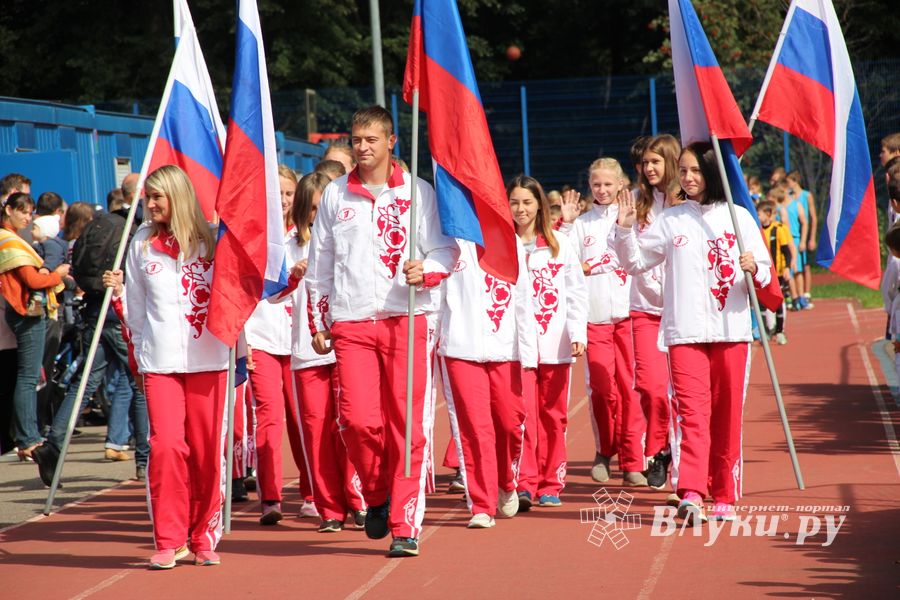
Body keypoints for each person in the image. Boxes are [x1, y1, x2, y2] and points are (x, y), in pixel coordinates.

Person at [306, 105, 459, 557]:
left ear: (392, 142)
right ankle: (376, 494)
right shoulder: (336, 194)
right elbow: (320, 267)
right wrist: (319, 321)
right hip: (352, 321)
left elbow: (447, 251)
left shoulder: (418, 193)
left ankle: (406, 525)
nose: (362, 147)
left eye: (371, 139)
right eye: (356, 140)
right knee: (356, 420)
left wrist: (426, 269)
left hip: (407, 317)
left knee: (407, 426)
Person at [614, 141, 772, 524]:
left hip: (731, 331)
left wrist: (755, 267)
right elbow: (635, 262)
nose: (687, 177)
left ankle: (723, 492)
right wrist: (622, 231)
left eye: (696, 171)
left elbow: (766, 272)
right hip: (684, 332)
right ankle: (690, 491)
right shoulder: (672, 219)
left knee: (727, 414)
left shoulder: (738, 218)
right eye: (683, 170)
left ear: (713, 174)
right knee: (692, 415)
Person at [124, 164, 228, 569]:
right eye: (148, 197)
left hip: (209, 360)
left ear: (177, 196)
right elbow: (133, 308)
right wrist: (141, 349)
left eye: (156, 197)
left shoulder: (213, 241)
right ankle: (170, 538)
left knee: (204, 452)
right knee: (166, 446)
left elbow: (237, 292)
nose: (149, 205)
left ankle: (203, 536)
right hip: (161, 362)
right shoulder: (141, 242)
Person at [271, 171, 367, 533]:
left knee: (348, 426)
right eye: (310, 209)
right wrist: (293, 276)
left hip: (344, 344)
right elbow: (272, 293)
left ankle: (357, 499)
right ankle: (329, 509)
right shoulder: (289, 245)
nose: (316, 215)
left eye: (321, 207)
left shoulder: (347, 240)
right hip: (306, 351)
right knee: (315, 431)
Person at [561, 158, 646, 487]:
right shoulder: (582, 224)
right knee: (601, 390)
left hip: (628, 316)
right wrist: (567, 225)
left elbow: (674, 194)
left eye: (609, 184)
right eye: (596, 184)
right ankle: (603, 451)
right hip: (594, 319)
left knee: (629, 389)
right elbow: (566, 262)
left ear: (622, 184)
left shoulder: (635, 213)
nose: (602, 189)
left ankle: (633, 460)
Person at [508, 174, 587, 509]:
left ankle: (551, 483)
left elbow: (575, 292)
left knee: (553, 417)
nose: (521, 209)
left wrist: (578, 332)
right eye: (514, 202)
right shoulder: (501, 244)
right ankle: (524, 483)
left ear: (539, 204)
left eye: (527, 202)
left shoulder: (557, 243)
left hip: (556, 343)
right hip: (515, 347)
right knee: (521, 416)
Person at [241, 164, 300, 526]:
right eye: (275, 193)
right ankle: (271, 497)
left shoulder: (307, 235)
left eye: (288, 194)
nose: (281, 200)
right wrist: (243, 341)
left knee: (303, 420)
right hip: (261, 339)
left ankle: (311, 492)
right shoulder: (254, 238)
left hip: (299, 343)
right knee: (269, 419)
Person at [625, 133, 682, 490]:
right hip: (644, 307)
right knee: (651, 387)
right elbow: (623, 249)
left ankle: (674, 451)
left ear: (671, 161)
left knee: (682, 391)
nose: (648, 169)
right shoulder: (634, 201)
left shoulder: (688, 200)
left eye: (655, 161)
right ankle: (659, 447)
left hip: (682, 308)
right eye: (645, 163)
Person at [1, 193, 68, 461]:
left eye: (31, 213)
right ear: (8, 210)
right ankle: (28, 437)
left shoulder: (12, 239)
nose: (28, 218)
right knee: (29, 377)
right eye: (23, 212)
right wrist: (58, 275)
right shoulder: (8, 240)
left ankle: (26, 435)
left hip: (22, 311)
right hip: (26, 312)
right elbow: (32, 279)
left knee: (27, 376)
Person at [757, 201, 795, 345]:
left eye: (759, 214)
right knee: (762, 302)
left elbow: (786, 251)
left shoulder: (778, 229)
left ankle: (780, 331)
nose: (758, 216)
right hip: (764, 273)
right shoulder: (758, 230)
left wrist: (787, 268)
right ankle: (766, 331)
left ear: (767, 214)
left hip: (778, 273)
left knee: (778, 301)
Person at [785, 171, 816, 309]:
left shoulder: (806, 195)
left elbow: (813, 217)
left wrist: (811, 237)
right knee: (796, 266)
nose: (787, 185)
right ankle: (798, 296)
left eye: (789, 182)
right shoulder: (790, 198)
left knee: (805, 266)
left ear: (795, 181)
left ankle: (806, 293)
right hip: (795, 234)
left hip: (803, 233)